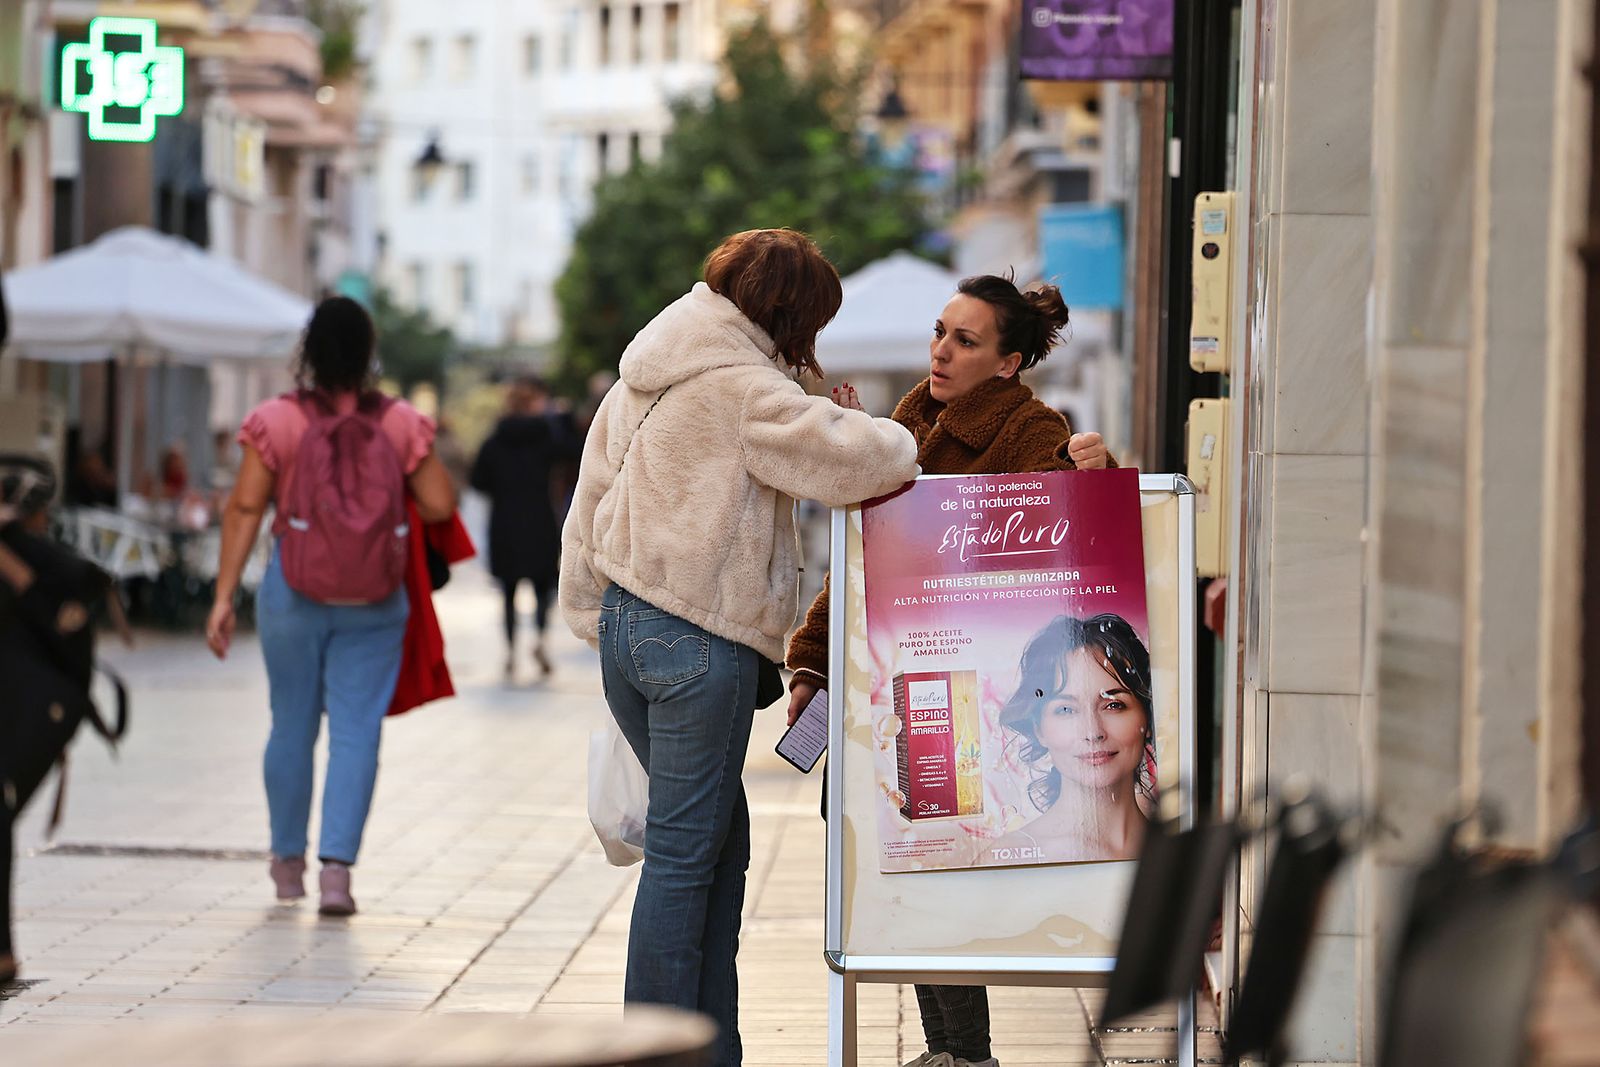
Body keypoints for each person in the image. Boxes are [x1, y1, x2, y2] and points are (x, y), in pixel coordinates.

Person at [561, 228, 921, 1066]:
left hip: (628, 625)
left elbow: (589, 499)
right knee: (687, 862)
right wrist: (865, 425)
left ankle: (712, 1049)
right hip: (697, 636)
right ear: (789, 316)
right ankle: (657, 1050)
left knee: (717, 843)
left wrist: (595, 617)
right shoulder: (745, 390)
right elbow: (862, 462)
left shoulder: (648, 372)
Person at [784, 271, 1112, 1067]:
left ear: (1006, 363)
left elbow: (1068, 552)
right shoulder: (910, 420)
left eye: (965, 340)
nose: (941, 349)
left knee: (939, 861)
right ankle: (960, 1052)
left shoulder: (1035, 430)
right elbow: (859, 560)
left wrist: (1093, 478)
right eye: (940, 331)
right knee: (885, 842)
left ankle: (963, 1053)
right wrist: (812, 662)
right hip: (891, 678)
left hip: (968, 694)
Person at [205, 297, 456, 916]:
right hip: (376, 596)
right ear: (368, 352)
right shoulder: (400, 423)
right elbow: (440, 505)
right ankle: (337, 874)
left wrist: (222, 597)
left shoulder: (276, 421)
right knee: (356, 731)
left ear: (308, 351)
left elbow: (243, 508)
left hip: (294, 589)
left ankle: (287, 865)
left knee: (290, 723)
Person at [990, 613, 1155, 864]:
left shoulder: (1183, 855)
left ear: (1147, 718)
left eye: (1113, 705)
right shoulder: (1005, 860)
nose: (1092, 732)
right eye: (1066, 709)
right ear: (1039, 729)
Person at [471, 375, 577, 678]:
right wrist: (562, 418)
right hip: (539, 521)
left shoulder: (493, 440)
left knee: (508, 590)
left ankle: (509, 650)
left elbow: (479, 481)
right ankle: (541, 640)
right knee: (543, 588)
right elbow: (573, 451)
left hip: (504, 523)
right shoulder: (546, 436)